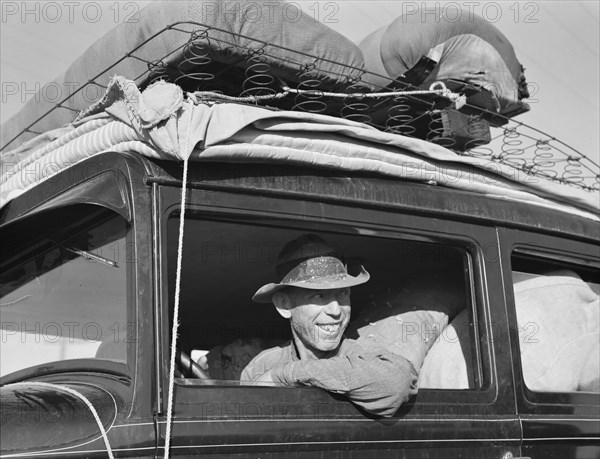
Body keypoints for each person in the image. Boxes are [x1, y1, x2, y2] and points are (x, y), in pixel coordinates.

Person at [241, 234, 418, 417]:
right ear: (285, 305)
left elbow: (397, 383)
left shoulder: (364, 355)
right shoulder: (261, 366)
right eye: (319, 296)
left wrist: (285, 375)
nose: (336, 310)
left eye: (343, 294)